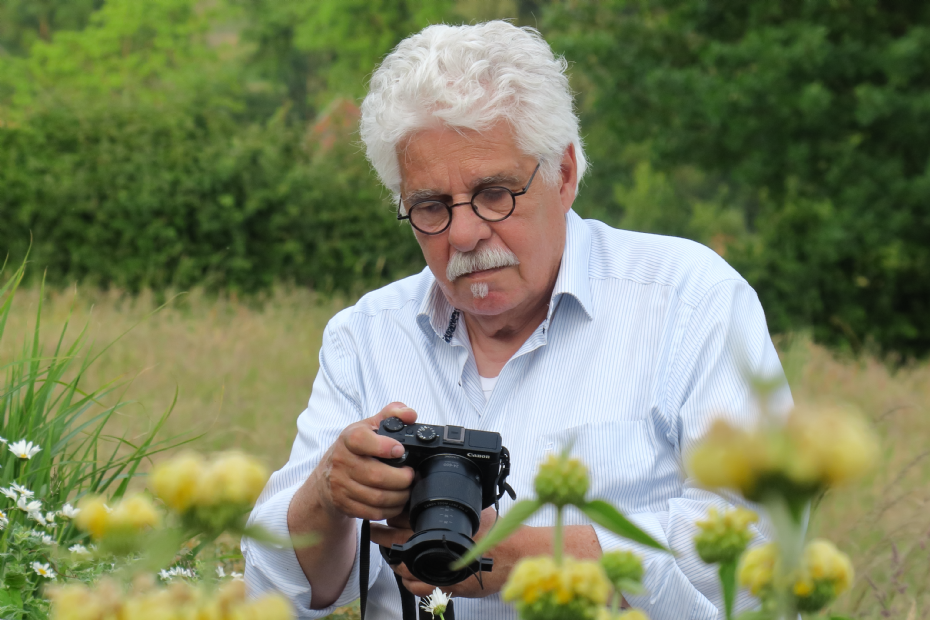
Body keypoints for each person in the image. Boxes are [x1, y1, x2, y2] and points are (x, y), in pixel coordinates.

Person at [243, 20, 790, 620]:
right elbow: (280, 592)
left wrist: (537, 558)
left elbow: (761, 548)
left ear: (564, 174)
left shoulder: (689, 299)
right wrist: (330, 493)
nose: (465, 233)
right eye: (430, 206)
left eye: (495, 193)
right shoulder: (366, 336)